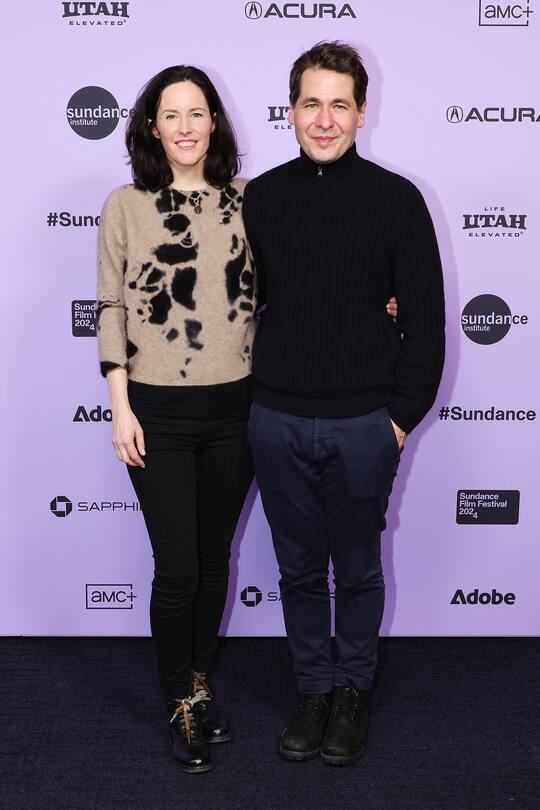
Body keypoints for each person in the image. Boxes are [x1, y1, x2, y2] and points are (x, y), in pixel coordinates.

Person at [243, 41, 445, 766]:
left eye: (338, 103)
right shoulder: (259, 198)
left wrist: (397, 420)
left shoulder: (397, 200)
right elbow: (236, 304)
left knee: (357, 568)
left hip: (366, 423)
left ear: (362, 110)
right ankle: (313, 690)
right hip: (276, 419)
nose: (323, 119)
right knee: (297, 569)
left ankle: (353, 692)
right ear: (290, 110)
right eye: (310, 103)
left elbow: (424, 320)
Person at [96, 65, 257, 774]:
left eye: (198, 113)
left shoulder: (252, 200)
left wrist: (380, 305)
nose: (187, 127)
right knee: (180, 567)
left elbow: (308, 278)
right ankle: (179, 699)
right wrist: (120, 406)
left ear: (214, 122)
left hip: (239, 409)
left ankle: (199, 682)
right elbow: (111, 309)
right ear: (152, 127)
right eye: (173, 115)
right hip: (155, 411)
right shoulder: (125, 204)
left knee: (217, 559)